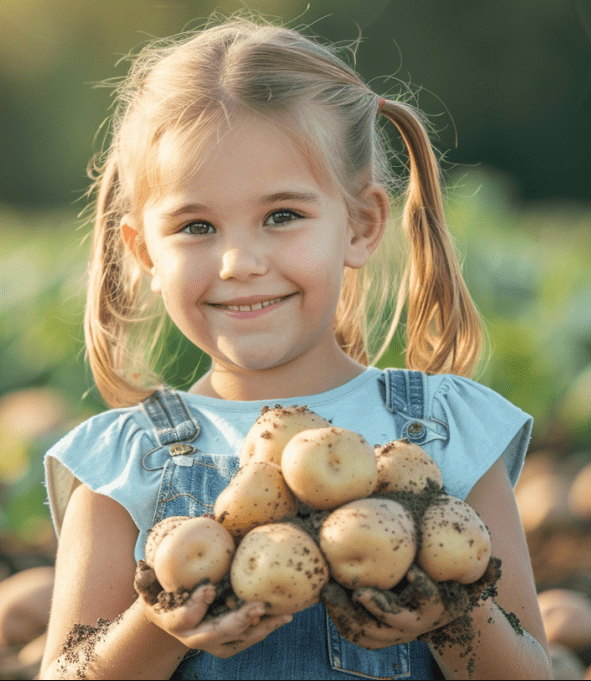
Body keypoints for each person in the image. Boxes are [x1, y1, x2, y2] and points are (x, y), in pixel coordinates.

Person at [39, 15, 551, 680]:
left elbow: (532, 672)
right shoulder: (121, 465)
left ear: (362, 224)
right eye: (196, 226)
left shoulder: (448, 435)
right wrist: (160, 626)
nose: (238, 261)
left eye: (281, 216)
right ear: (144, 254)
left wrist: (452, 616)